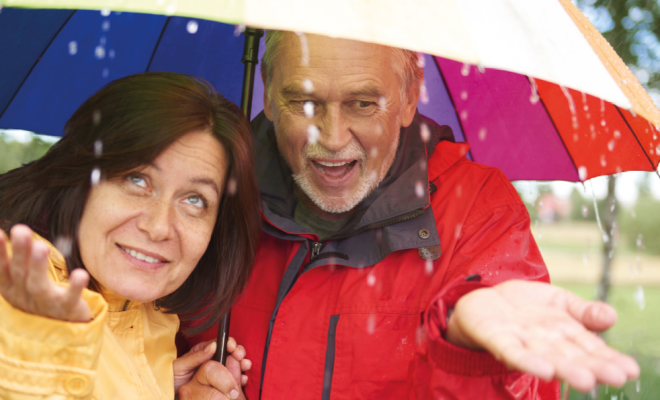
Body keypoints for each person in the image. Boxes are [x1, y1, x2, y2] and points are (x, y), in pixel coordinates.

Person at [181, 32, 640, 399]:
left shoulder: (478, 209)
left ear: (408, 96)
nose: (333, 138)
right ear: (266, 89)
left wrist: (468, 353)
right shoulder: (205, 193)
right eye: (304, 101)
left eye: (362, 103)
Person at [0, 72, 260, 399]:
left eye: (194, 200)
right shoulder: (15, 287)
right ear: (80, 178)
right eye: (137, 180)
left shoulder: (155, 316)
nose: (159, 227)